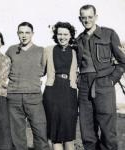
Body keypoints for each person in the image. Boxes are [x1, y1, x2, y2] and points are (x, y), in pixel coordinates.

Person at [76, 4, 125, 150]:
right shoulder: (78, 39)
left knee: (107, 130)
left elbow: (122, 61)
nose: (87, 20)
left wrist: (112, 80)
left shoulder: (109, 34)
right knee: (87, 131)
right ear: (80, 19)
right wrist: (79, 80)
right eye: (83, 18)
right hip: (84, 86)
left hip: (103, 84)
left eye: (90, 17)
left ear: (96, 17)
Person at [6, 22, 50, 150]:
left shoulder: (41, 51)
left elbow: (44, 70)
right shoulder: (11, 50)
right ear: (18, 34)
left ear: (32, 34)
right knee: (17, 135)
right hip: (14, 96)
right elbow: (5, 70)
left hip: (34, 96)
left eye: (27, 32)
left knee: (40, 131)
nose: (24, 35)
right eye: (21, 32)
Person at [43, 22, 78, 150]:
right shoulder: (48, 50)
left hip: (70, 91)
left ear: (70, 36)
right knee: (54, 131)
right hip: (52, 91)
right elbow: (40, 70)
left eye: (65, 34)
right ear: (56, 35)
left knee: (69, 131)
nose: (62, 37)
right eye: (60, 34)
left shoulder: (75, 51)